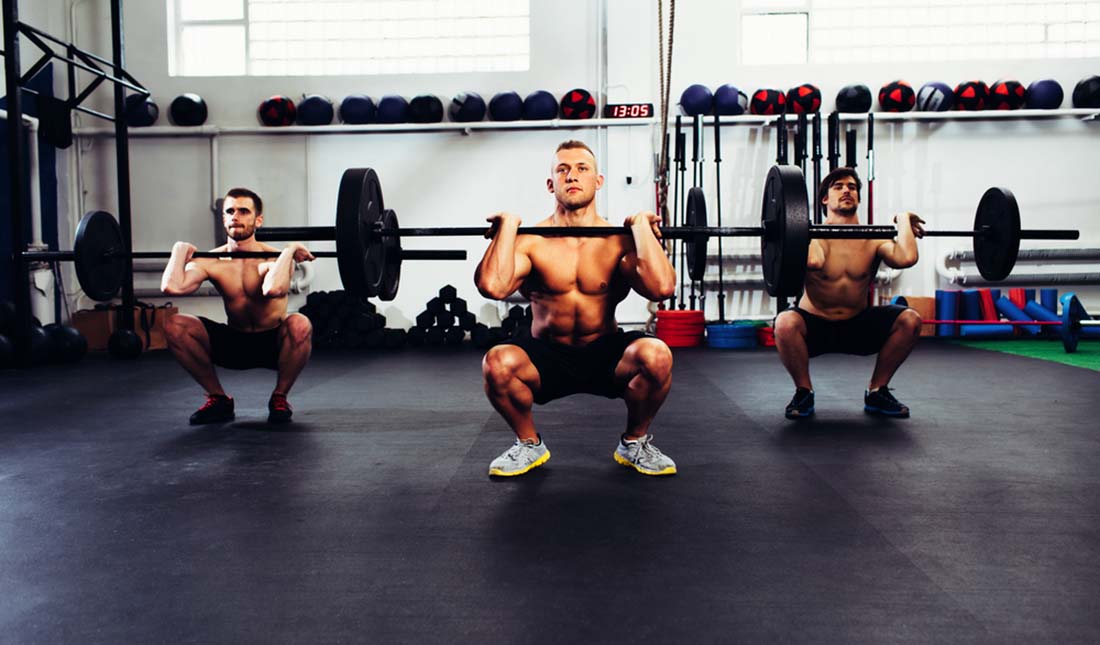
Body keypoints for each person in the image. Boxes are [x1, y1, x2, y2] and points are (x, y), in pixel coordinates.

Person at [475, 140, 679, 477]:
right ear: (551, 183)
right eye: (563, 169)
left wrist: (642, 228)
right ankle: (528, 444)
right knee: (496, 364)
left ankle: (635, 443)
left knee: (656, 355)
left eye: (582, 169)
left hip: (606, 353)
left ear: (598, 181)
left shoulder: (618, 240)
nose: (572, 176)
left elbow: (662, 289)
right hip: (544, 355)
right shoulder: (531, 239)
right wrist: (507, 228)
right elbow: (493, 287)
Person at [773, 167, 924, 419]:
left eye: (852, 187)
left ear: (858, 198)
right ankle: (804, 392)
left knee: (910, 320)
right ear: (825, 199)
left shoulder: (872, 239)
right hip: (814, 328)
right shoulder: (812, 236)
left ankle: (877, 391)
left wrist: (903, 220)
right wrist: (796, 229)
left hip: (857, 326)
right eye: (838, 186)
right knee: (785, 322)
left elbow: (906, 257)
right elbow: (813, 262)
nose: (846, 191)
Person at [161, 187, 314, 425]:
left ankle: (279, 398)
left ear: (258, 220)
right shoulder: (211, 260)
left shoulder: (273, 258)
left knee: (300, 323)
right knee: (175, 325)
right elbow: (173, 288)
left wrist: (290, 250)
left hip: (273, 345)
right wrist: (178, 252)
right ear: (223, 218)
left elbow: (274, 289)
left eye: (244, 211)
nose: (236, 216)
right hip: (234, 342)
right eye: (230, 211)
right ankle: (219, 399)